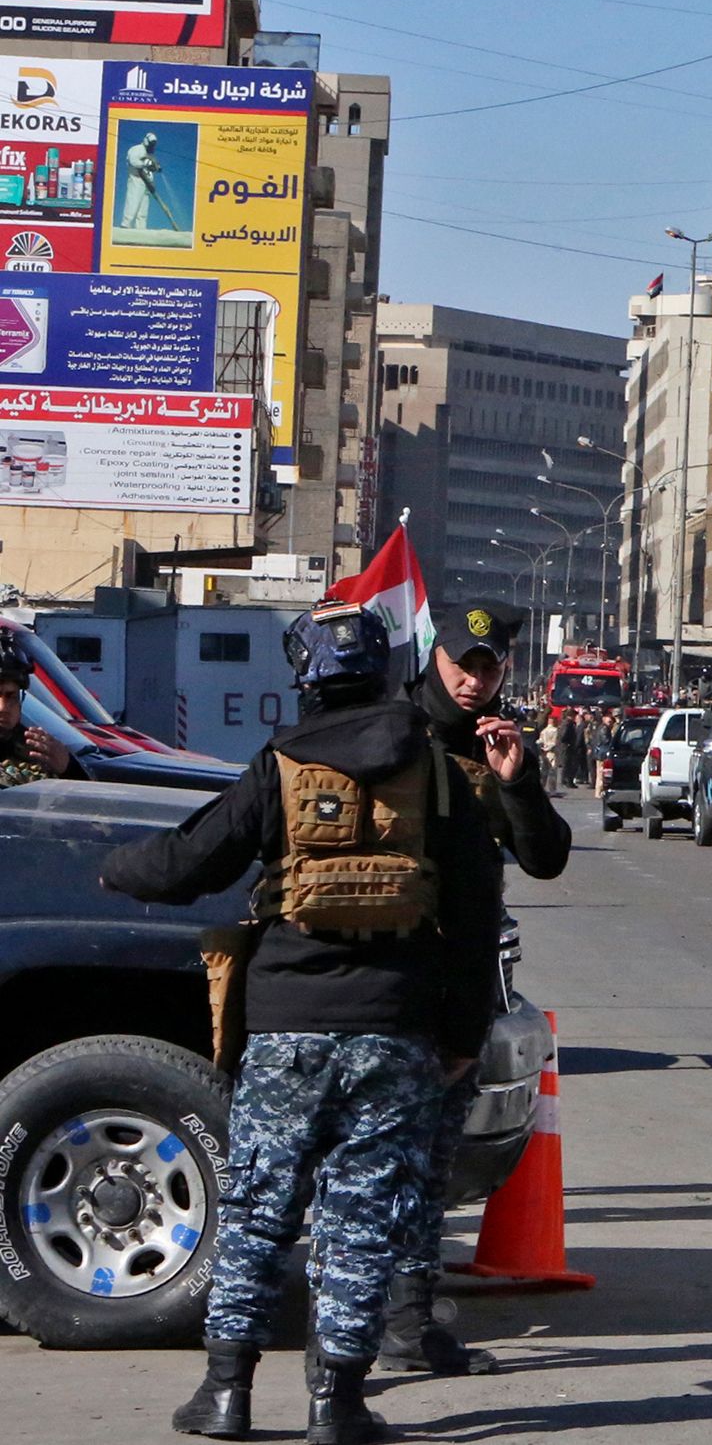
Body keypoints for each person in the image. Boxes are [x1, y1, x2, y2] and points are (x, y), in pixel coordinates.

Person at [100, 601, 505, 1445]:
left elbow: (186, 863)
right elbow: (474, 916)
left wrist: (113, 865)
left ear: (306, 676)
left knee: (257, 1208)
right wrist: (464, 1033)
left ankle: (224, 1395)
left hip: (284, 1023)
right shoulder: (434, 770)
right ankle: (339, 1405)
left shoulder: (278, 765)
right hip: (396, 1028)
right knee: (360, 1218)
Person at [380, 598, 572, 1376]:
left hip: (461, 990)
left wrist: (518, 781)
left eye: (488, 669)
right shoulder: (389, 729)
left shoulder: (497, 744)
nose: (473, 680)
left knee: (426, 1168)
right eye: (463, 664)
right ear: (434, 657)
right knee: (391, 1166)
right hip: (389, 982)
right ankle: (383, 1331)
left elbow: (547, 857)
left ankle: (405, 1324)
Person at [0, 635, 77, 786]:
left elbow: (82, 801)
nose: (3, 708)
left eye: (11, 697)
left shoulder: (34, 752)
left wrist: (68, 768)